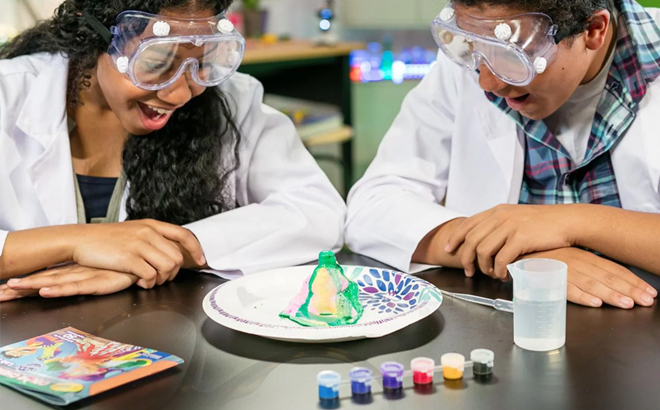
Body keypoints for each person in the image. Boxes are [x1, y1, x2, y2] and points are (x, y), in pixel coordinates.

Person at [0, 0, 345, 301]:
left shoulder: (233, 100)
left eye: (205, 60)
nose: (180, 94)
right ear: (91, 37)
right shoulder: (8, 94)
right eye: (155, 62)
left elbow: (319, 212)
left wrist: (159, 253)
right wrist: (79, 242)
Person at [346, 0, 660, 309]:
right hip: (506, 325)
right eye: (471, 45)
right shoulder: (473, 64)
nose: (487, 82)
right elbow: (373, 206)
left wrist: (573, 222)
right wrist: (514, 251)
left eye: (511, 54)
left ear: (594, 30)